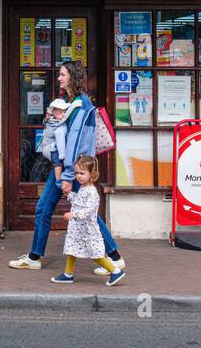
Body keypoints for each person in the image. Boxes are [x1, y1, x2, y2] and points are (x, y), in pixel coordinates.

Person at [9, 60, 125, 275]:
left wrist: (68, 176)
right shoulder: (67, 103)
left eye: (63, 74)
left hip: (71, 172)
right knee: (43, 209)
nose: (59, 78)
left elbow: (76, 144)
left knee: (85, 214)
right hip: (66, 170)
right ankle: (35, 256)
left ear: (73, 76)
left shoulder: (82, 107)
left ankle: (115, 258)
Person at [53, 156, 124, 286]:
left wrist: (73, 215)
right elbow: (78, 201)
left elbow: (87, 211)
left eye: (82, 173)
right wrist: (69, 194)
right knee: (71, 249)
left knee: (95, 254)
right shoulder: (83, 188)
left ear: (92, 174)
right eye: (76, 173)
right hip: (78, 229)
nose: (78, 176)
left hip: (88, 231)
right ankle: (68, 274)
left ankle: (115, 271)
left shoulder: (92, 192)